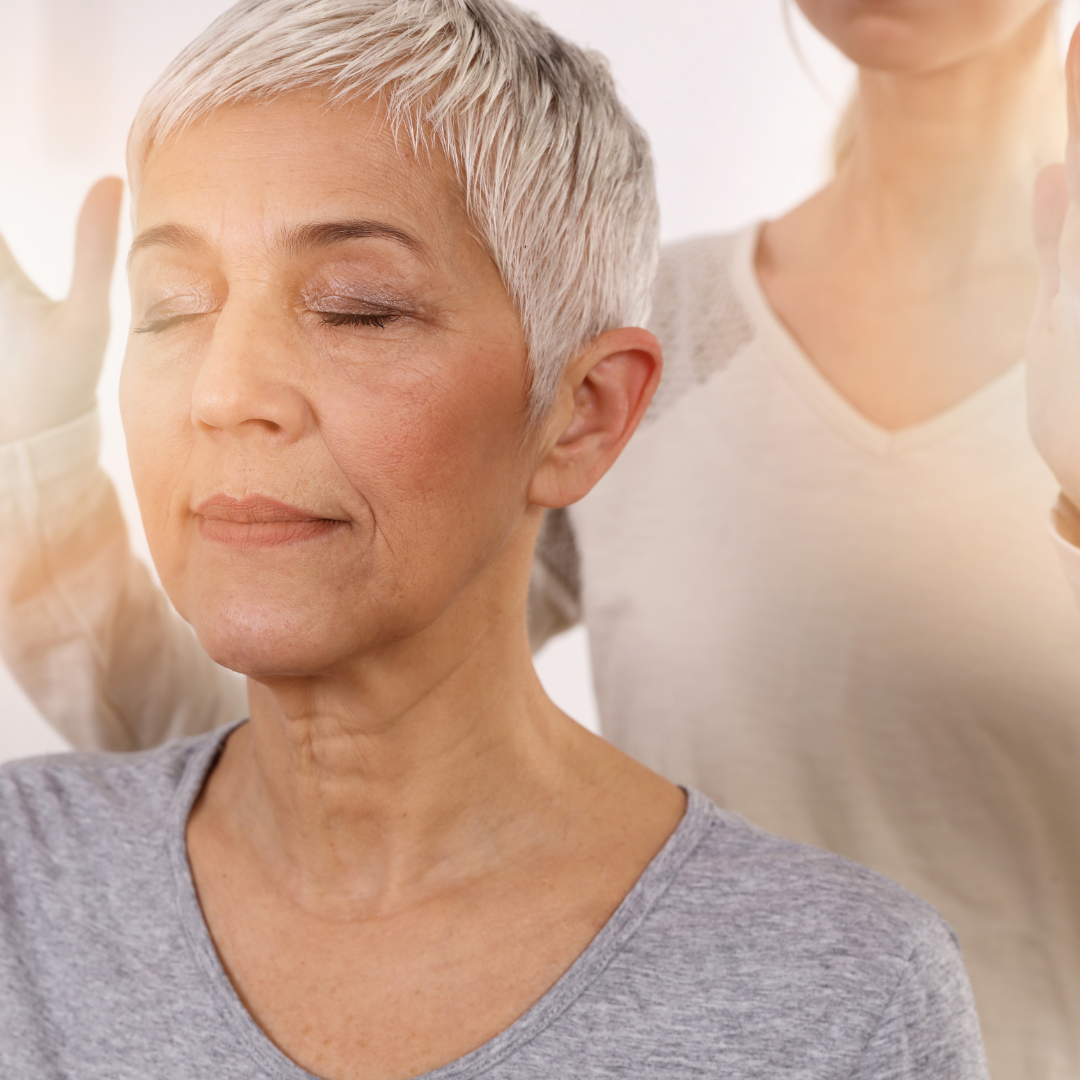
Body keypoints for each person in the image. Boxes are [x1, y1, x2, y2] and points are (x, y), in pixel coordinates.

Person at [0, 0, 1059, 1076]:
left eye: (359, 309)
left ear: (592, 411)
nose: (227, 394)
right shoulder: (695, 323)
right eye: (172, 306)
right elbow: (342, 701)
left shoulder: (854, 986)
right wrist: (40, 502)